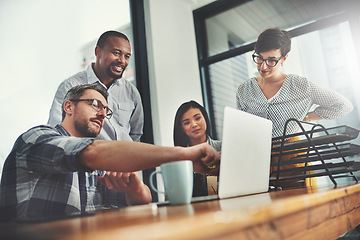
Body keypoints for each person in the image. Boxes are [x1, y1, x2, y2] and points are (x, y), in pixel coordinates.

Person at [0, 84, 220, 222]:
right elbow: (93, 152)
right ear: (68, 107)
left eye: (106, 109)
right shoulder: (37, 137)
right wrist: (184, 154)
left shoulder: (95, 168)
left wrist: (134, 189)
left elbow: (142, 201)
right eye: (95, 104)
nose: (102, 114)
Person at [236, 28, 353, 188]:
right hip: (258, 161)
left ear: (284, 58)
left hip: (294, 159)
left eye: (271, 60)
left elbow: (343, 105)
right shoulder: (244, 90)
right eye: (259, 58)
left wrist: (305, 118)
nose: (263, 66)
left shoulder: (300, 85)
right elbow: (241, 129)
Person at [48, 30, 143, 142]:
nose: (122, 61)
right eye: (116, 53)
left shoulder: (131, 92)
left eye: (127, 56)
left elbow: (136, 134)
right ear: (98, 52)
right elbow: (57, 131)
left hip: (124, 157)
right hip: (89, 157)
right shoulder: (70, 86)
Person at [173, 100, 221, 197]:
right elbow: (172, 195)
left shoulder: (223, 148)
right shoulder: (178, 159)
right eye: (187, 123)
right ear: (181, 128)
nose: (194, 124)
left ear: (205, 118)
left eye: (198, 118)